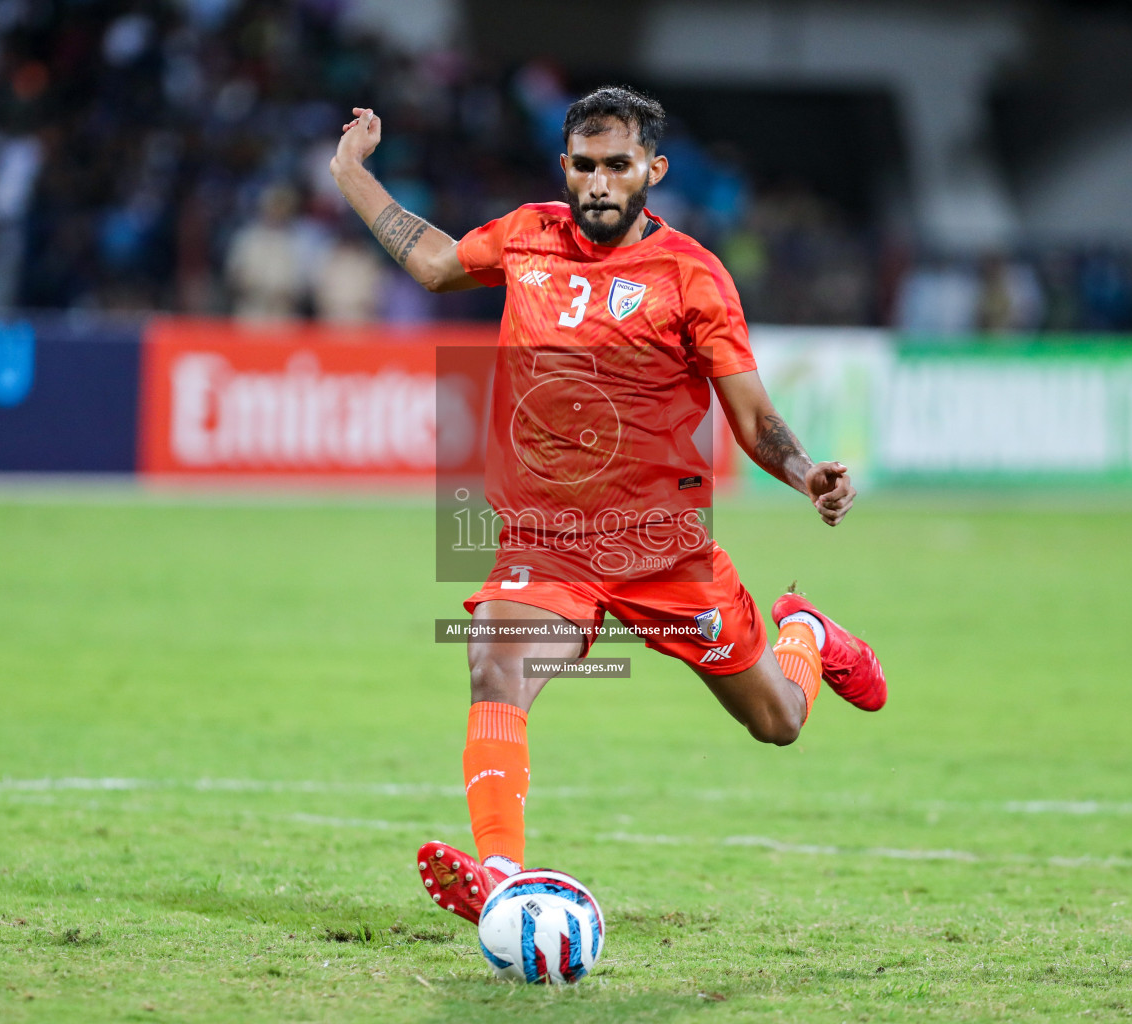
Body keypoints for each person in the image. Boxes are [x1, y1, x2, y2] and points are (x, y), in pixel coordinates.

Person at [328, 86, 887, 923]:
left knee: (779, 721)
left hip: (664, 550)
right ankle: (505, 880)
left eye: (616, 166)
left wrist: (805, 473)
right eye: (583, 166)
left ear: (652, 171)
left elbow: (753, 418)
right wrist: (350, 172)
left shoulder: (693, 278)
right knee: (495, 660)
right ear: (566, 167)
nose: (597, 182)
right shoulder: (527, 236)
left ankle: (805, 632)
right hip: (544, 544)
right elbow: (434, 261)